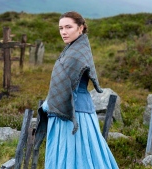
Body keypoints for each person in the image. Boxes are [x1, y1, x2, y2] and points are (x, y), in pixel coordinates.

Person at [34, 11, 119, 169]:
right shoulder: (73, 48)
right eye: (60, 28)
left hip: (73, 112)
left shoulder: (75, 53)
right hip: (69, 109)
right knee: (78, 155)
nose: (64, 32)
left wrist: (49, 104)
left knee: (77, 156)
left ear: (80, 28)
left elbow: (66, 85)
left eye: (68, 27)